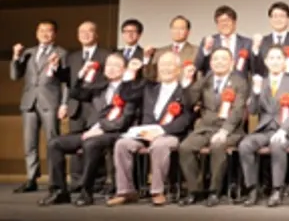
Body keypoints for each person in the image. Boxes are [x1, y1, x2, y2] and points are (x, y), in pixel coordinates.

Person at [40, 53, 137, 207]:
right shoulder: (100, 87)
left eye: (116, 65)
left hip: (117, 132)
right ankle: (59, 191)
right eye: (109, 65)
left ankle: (86, 191)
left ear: (124, 69)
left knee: (91, 143)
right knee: (55, 143)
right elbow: (76, 93)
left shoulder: (131, 89)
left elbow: (125, 120)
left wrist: (102, 128)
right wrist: (82, 74)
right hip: (93, 131)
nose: (111, 68)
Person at [108, 52, 193, 207]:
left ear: (178, 69)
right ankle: (125, 191)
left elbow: (186, 119)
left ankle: (157, 191)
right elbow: (126, 95)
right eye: (162, 65)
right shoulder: (149, 88)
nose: (166, 68)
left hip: (169, 134)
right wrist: (130, 73)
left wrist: (160, 130)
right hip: (144, 134)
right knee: (122, 144)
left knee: (159, 145)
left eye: (170, 65)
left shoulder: (185, 91)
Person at [178, 47, 249, 207]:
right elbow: (189, 102)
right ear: (210, 63)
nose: (219, 62)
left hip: (230, 129)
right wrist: (187, 82)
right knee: (185, 147)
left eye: (223, 59)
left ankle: (214, 191)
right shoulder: (205, 80)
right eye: (215, 59)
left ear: (231, 63)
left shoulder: (240, 82)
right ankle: (195, 190)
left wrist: (224, 131)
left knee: (217, 145)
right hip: (205, 128)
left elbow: (238, 111)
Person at [239, 45, 289, 207]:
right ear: (266, 62)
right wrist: (256, 92)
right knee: (245, 145)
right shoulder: (261, 82)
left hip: (286, 131)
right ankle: (252, 188)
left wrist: (283, 130)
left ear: (284, 62)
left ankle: (277, 189)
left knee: (277, 144)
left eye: (278, 58)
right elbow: (252, 111)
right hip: (265, 130)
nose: (275, 62)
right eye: (271, 58)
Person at [10, 20, 67, 193]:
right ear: (36, 33)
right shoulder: (28, 52)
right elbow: (15, 76)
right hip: (29, 102)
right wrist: (16, 56)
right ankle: (31, 178)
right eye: (41, 30)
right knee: (30, 143)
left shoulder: (61, 52)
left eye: (49, 31)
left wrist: (64, 103)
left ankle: (55, 180)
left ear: (55, 34)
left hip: (50, 102)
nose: (45, 34)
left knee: (53, 142)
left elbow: (66, 81)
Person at [60, 21, 109, 192]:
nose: (85, 34)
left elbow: (107, 80)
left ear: (96, 34)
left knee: (94, 143)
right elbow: (68, 84)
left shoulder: (106, 55)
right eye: (82, 32)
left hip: (95, 105)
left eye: (89, 31)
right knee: (75, 143)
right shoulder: (72, 57)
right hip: (76, 106)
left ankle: (97, 181)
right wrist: (64, 104)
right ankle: (76, 180)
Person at [195, 5, 254, 78]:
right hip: (213, 84)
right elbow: (198, 66)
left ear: (234, 22)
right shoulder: (208, 41)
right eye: (221, 21)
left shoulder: (247, 43)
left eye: (228, 20)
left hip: (239, 83)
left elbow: (255, 69)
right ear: (217, 24)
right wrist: (206, 50)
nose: (224, 24)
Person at [252, 2, 289, 79]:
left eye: (282, 16)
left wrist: (288, 82)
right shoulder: (262, 41)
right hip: (266, 84)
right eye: (275, 16)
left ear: (288, 19)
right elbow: (257, 68)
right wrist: (255, 50)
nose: (278, 19)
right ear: (270, 19)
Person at [143, 15, 198, 80]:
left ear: (188, 32)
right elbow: (149, 76)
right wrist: (146, 57)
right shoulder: (159, 52)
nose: (177, 31)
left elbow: (200, 77)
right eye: (174, 28)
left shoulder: (197, 51)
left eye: (181, 28)